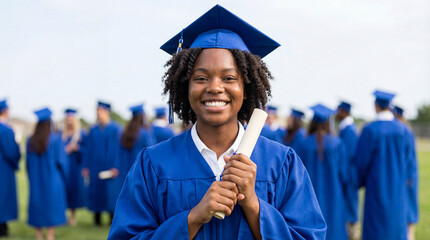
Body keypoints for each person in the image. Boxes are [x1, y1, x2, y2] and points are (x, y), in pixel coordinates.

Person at [108, 5, 326, 239]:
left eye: (229, 78)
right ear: (185, 86)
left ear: (246, 87)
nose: (214, 87)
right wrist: (193, 218)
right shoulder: (153, 164)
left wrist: (253, 205)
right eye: (200, 78)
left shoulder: (281, 163)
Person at [354, 90, 412, 239]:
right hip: (398, 191)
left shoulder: (370, 130)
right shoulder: (403, 130)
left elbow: (361, 164)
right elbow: (407, 160)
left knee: (376, 231)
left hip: (376, 190)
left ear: (376, 106)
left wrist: (357, 182)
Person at [296, 104, 348, 240]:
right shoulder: (337, 144)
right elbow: (345, 175)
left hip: (308, 199)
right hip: (334, 199)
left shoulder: (303, 144)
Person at [26, 108, 68, 240]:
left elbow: (27, 163)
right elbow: (62, 161)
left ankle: (38, 235)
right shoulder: (55, 140)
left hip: (36, 178)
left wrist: (31, 176)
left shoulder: (30, 140)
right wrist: (64, 177)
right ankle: (50, 235)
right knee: (51, 206)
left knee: (37, 204)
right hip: (53, 178)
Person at [108, 104, 155, 212]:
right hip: (141, 170)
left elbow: (117, 153)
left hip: (125, 170)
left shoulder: (123, 133)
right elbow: (151, 152)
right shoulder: (145, 134)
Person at [82, 101, 121, 226]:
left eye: (100, 111)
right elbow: (88, 149)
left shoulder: (116, 129)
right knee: (96, 191)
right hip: (95, 165)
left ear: (107, 112)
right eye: (97, 111)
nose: (98, 114)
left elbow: (118, 150)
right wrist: (86, 166)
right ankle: (97, 218)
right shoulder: (93, 130)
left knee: (110, 192)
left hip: (109, 165)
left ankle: (111, 218)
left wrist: (116, 165)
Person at [392, 105, 419, 240]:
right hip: (408, 174)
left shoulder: (404, 131)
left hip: (407, 176)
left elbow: (407, 157)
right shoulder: (405, 130)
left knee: (407, 210)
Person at [335, 101, 359, 239]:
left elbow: (348, 156)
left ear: (344, 112)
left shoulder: (349, 130)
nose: (336, 113)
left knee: (349, 210)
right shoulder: (346, 128)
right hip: (347, 174)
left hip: (348, 176)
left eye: (338, 110)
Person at [62, 108, 86, 227]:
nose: (69, 121)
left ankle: (73, 216)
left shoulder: (81, 134)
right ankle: (63, 215)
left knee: (74, 191)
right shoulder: (61, 134)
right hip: (64, 167)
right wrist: (66, 150)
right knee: (64, 190)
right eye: (68, 119)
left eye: (71, 119)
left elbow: (86, 151)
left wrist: (77, 148)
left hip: (75, 167)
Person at [0, 99, 21, 238]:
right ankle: (2, 228)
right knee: (3, 197)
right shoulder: (6, 130)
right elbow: (11, 152)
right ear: (6, 111)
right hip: (4, 170)